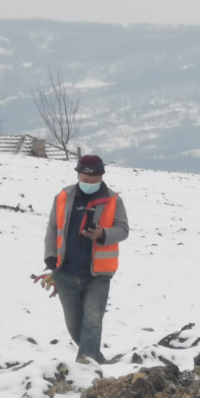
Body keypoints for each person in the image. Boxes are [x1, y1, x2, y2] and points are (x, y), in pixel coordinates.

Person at [37, 155, 130, 364]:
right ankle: (99, 362)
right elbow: (53, 227)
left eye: (93, 180)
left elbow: (123, 230)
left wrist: (102, 234)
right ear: (78, 175)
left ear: (101, 176)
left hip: (98, 275)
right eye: (85, 179)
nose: (89, 183)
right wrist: (50, 257)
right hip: (65, 273)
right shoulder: (63, 196)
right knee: (74, 326)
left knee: (93, 322)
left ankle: (85, 367)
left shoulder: (114, 200)